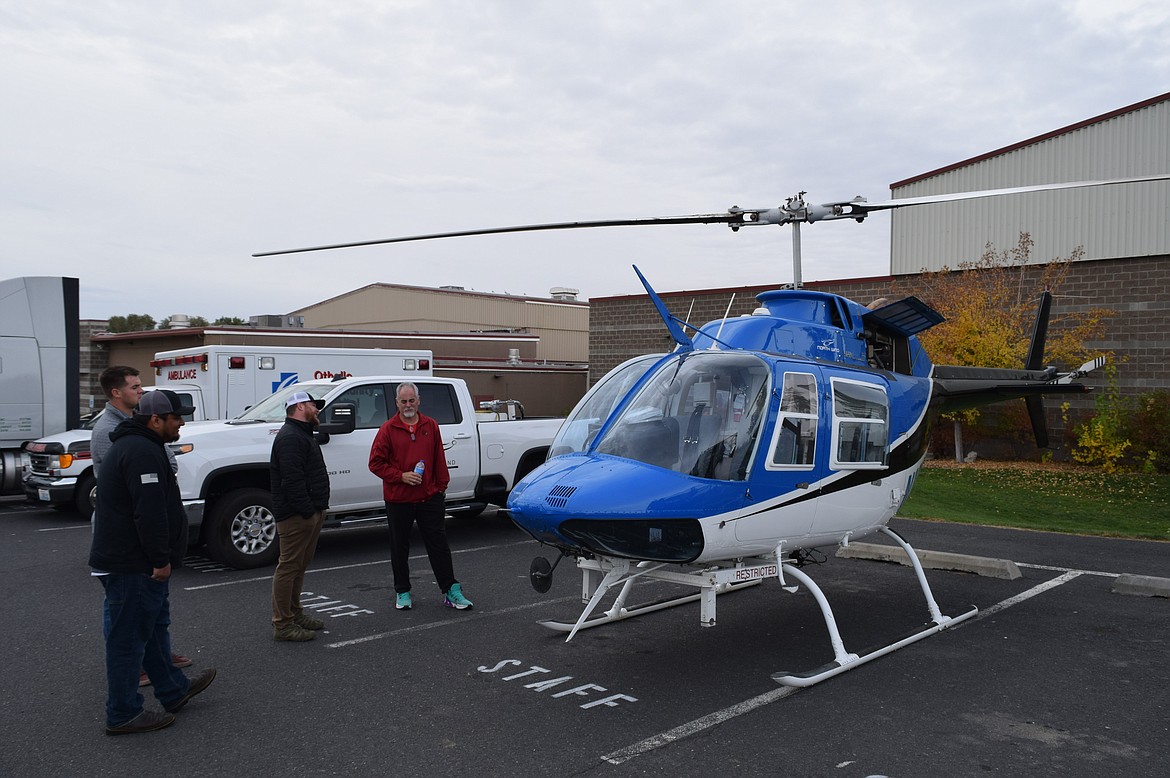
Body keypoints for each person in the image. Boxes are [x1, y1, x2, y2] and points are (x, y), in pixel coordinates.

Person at [89, 389, 216, 735]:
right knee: (128, 639)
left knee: (154, 628)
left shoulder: (145, 446)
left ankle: (173, 689)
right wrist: (160, 560)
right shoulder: (141, 451)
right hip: (132, 563)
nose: (182, 423)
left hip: (135, 561)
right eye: (176, 418)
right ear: (156, 420)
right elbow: (149, 513)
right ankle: (123, 713)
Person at [91, 366, 193, 686]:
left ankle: (165, 670)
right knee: (125, 619)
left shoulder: (140, 433)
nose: (140, 390)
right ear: (116, 393)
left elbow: (169, 465)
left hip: (138, 546)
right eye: (134, 386)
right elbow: (140, 502)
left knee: (151, 612)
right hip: (128, 547)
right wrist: (159, 557)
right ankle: (129, 690)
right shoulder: (116, 435)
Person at [368, 382, 473, 611]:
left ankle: (451, 590)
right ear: (397, 403)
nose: (408, 405)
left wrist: (440, 487)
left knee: (439, 545)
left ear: (419, 400)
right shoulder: (387, 429)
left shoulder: (430, 425)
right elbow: (375, 464)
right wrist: (401, 476)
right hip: (399, 499)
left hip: (429, 498)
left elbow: (438, 460)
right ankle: (402, 591)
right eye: (403, 401)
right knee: (399, 547)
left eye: (411, 400)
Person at [269, 390, 330, 642]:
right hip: (297, 514)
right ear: (301, 406)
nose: (317, 409)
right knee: (289, 567)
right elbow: (291, 481)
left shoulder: (302, 434)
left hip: (309, 511)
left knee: (299, 566)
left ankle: (294, 614)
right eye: (314, 405)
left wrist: (316, 509)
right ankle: (283, 624)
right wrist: (307, 511)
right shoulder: (290, 437)